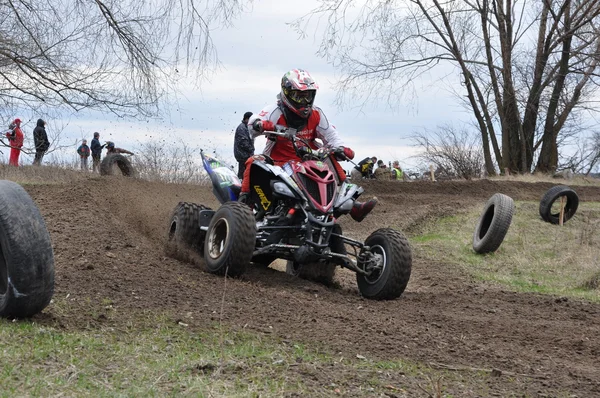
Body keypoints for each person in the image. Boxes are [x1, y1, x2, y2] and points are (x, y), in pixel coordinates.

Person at [240, 68, 377, 222]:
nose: (304, 102)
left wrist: (341, 149)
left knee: (330, 155)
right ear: (287, 93)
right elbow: (252, 125)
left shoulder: (316, 113)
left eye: (308, 96)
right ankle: (244, 206)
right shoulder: (275, 111)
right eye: (299, 96)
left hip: (306, 162)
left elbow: (331, 136)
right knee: (253, 162)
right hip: (277, 164)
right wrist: (261, 125)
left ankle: (352, 205)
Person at [233, 111, 256, 179]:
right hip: (243, 155)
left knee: (245, 173)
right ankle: (241, 187)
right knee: (243, 174)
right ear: (246, 119)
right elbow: (243, 142)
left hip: (245, 154)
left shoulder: (246, 127)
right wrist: (251, 149)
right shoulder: (242, 128)